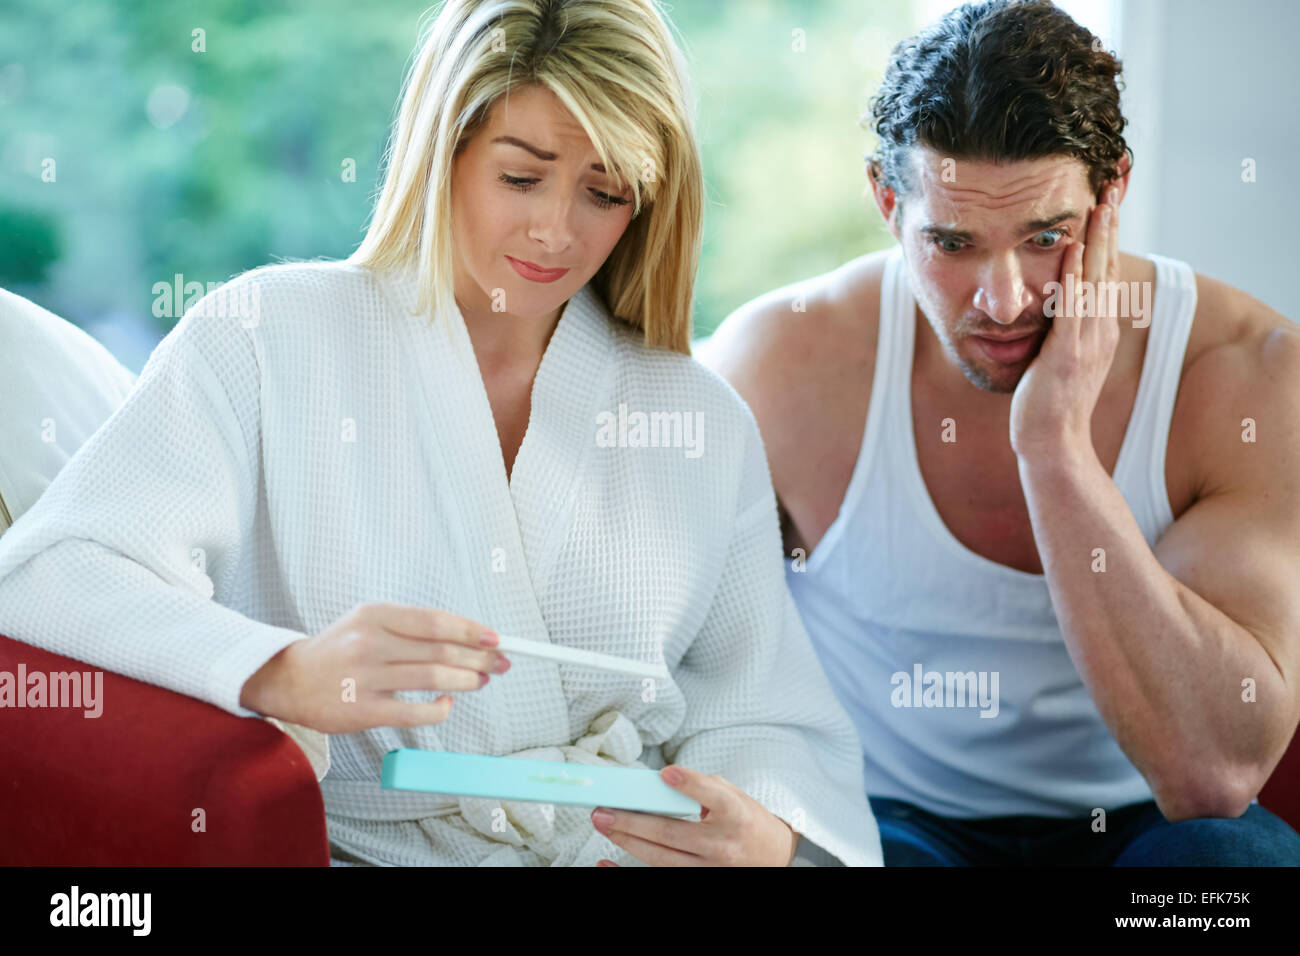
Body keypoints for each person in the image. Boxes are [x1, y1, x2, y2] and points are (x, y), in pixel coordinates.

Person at [0, 0, 881, 867]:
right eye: (521, 176)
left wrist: (771, 842)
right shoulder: (265, 336)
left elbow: (764, 715)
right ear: (443, 151)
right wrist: (280, 670)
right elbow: (57, 569)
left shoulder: (698, 418)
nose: (556, 229)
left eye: (604, 192)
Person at [699, 0, 1300, 865]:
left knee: (1230, 878)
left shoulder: (1249, 370)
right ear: (886, 200)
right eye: (952, 242)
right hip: (889, 822)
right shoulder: (782, 363)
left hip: (1146, 829)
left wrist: (1054, 447)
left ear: (1113, 191)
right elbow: (672, 646)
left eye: (1047, 237)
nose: (1005, 299)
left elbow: (1211, 774)